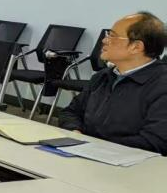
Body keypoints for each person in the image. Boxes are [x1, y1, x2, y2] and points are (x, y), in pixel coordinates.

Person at [58, 12, 167, 155]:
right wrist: (75, 132)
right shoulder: (103, 77)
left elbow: (156, 141)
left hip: (131, 163)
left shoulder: (161, 84)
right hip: (87, 154)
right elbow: (70, 112)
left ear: (136, 47)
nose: (104, 40)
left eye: (112, 36)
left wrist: (97, 147)